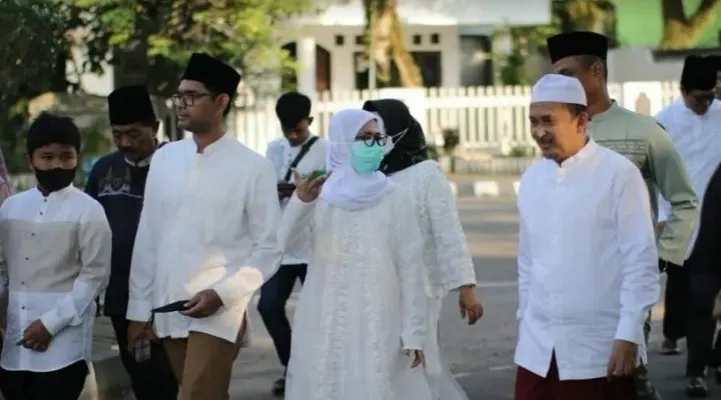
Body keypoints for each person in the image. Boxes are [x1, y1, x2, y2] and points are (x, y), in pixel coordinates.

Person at [546, 31, 698, 400]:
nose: (557, 84)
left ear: (596, 71)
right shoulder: (554, 131)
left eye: (566, 73)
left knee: (625, 375)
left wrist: (661, 255)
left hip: (624, 281)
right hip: (566, 282)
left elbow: (684, 200)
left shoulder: (644, 131)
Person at [125, 53, 283, 400]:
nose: (182, 104)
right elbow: (148, 236)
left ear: (221, 101)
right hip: (169, 305)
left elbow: (269, 249)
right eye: (179, 96)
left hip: (219, 309)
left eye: (192, 96)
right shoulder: (166, 158)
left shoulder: (252, 167)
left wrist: (223, 294)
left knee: (196, 395)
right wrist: (138, 310)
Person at [514, 74, 660, 400]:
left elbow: (641, 261)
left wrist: (629, 335)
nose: (539, 132)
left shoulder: (619, 174)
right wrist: (525, 321)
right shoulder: (532, 179)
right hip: (537, 350)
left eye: (548, 121)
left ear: (581, 120)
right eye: (533, 121)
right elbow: (527, 262)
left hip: (598, 350)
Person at [278, 109, 431, 400]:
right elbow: (284, 244)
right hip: (326, 315)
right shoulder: (318, 195)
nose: (371, 146)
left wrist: (414, 331)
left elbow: (410, 268)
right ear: (341, 142)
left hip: (379, 316)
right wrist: (301, 203)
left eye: (376, 138)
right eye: (362, 138)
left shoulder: (393, 196)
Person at [362, 99, 482, 399]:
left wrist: (465, 286)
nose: (375, 140)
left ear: (399, 131)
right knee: (382, 362)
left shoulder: (427, 174)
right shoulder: (369, 174)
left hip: (422, 286)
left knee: (420, 360)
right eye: (370, 135)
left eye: (380, 132)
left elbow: (448, 232)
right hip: (377, 284)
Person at [0, 112, 112, 400]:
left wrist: (49, 325)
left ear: (77, 157)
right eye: (47, 157)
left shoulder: (89, 211)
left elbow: (94, 277)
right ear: (30, 160)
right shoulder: (11, 209)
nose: (57, 165)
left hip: (63, 347)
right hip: (14, 347)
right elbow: (3, 271)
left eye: (66, 156)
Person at [84, 85, 178, 400]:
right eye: (118, 134)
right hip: (121, 297)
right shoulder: (102, 170)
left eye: (135, 134)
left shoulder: (178, 166)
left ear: (154, 128)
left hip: (168, 295)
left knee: (169, 376)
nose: (126, 142)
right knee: (140, 374)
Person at [655, 56, 721, 396]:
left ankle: (700, 365)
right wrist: (662, 214)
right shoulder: (664, 122)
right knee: (683, 287)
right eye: (698, 98)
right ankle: (673, 335)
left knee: (703, 296)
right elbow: (656, 175)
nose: (705, 104)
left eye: (710, 97)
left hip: (715, 224)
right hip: (679, 219)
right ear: (682, 91)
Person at [258, 91, 328, 395]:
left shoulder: (326, 149)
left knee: (320, 312)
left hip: (315, 244)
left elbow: (336, 190)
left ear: (309, 121)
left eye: (298, 129)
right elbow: (261, 188)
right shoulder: (273, 150)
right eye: (287, 129)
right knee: (268, 306)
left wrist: (306, 193)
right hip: (282, 243)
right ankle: (292, 367)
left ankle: (322, 372)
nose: (292, 135)